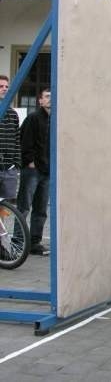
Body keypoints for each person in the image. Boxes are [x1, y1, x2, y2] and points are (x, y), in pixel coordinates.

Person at [18, 88, 51, 256]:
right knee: (24, 206)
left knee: (41, 208)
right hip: (32, 170)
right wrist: (30, 162)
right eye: (47, 96)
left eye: (52, 96)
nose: (50, 99)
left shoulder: (55, 120)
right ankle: (18, 241)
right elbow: (24, 141)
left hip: (47, 170)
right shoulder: (33, 118)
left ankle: (34, 242)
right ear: (40, 100)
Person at [0, 75, 21, 258]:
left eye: (7, 86)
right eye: (1, 86)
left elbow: (16, 140)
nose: (4, 89)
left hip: (9, 167)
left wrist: (17, 163)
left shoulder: (13, 114)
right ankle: (5, 248)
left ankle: (3, 246)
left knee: (5, 208)